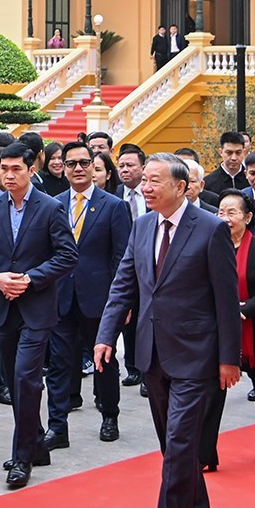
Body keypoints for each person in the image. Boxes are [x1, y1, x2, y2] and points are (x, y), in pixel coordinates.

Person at [93, 154, 239, 508]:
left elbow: (226, 300)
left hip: (197, 354)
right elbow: (123, 285)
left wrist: (230, 359)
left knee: (178, 441)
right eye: (145, 180)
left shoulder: (211, 230)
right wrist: (105, 336)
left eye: (155, 180)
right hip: (151, 351)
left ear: (181, 186)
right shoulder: (140, 226)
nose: (146, 186)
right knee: (171, 441)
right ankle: (196, 506)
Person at [0, 143, 78, 489]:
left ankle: (22, 459)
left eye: (17, 168)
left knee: (25, 378)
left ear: (32, 170)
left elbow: (67, 255)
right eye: (4, 169)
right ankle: (35, 444)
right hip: (4, 307)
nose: (9, 175)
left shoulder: (50, 208)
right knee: (16, 384)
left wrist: (31, 279)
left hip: (37, 308)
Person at [46, 144, 132, 447]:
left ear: (96, 168)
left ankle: (110, 415)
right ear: (63, 168)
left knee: (104, 360)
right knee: (59, 361)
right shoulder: (53, 204)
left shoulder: (113, 206)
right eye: (72, 164)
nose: (78, 169)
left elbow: (122, 258)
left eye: (85, 163)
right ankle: (57, 426)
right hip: (61, 296)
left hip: (100, 299)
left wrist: (122, 302)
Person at [199, 190, 255, 467]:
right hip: (219, 333)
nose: (225, 218)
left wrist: (241, 310)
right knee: (212, 396)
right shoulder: (209, 245)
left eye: (232, 212)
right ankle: (206, 456)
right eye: (221, 212)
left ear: (247, 217)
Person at [113, 143, 149, 385]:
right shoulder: (115, 196)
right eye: (121, 166)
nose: (125, 170)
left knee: (147, 316)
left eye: (130, 165)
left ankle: (148, 369)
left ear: (142, 167)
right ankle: (133, 367)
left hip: (151, 263)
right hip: (125, 265)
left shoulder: (151, 192)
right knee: (127, 316)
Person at [203, 131, 251, 199]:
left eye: (238, 153)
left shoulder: (251, 180)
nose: (234, 158)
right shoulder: (208, 182)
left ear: (243, 152)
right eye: (229, 153)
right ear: (221, 152)